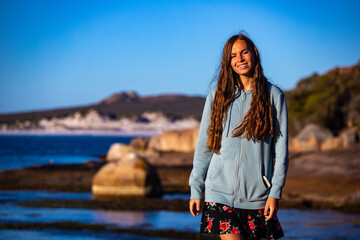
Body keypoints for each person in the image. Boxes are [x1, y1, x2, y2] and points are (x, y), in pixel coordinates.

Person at [188, 33, 289, 240]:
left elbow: (280, 149)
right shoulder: (218, 96)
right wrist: (196, 188)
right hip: (219, 194)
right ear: (228, 61)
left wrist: (275, 193)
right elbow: (204, 147)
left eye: (244, 52)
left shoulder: (273, 95)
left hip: (258, 197)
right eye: (233, 55)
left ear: (254, 54)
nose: (240, 59)